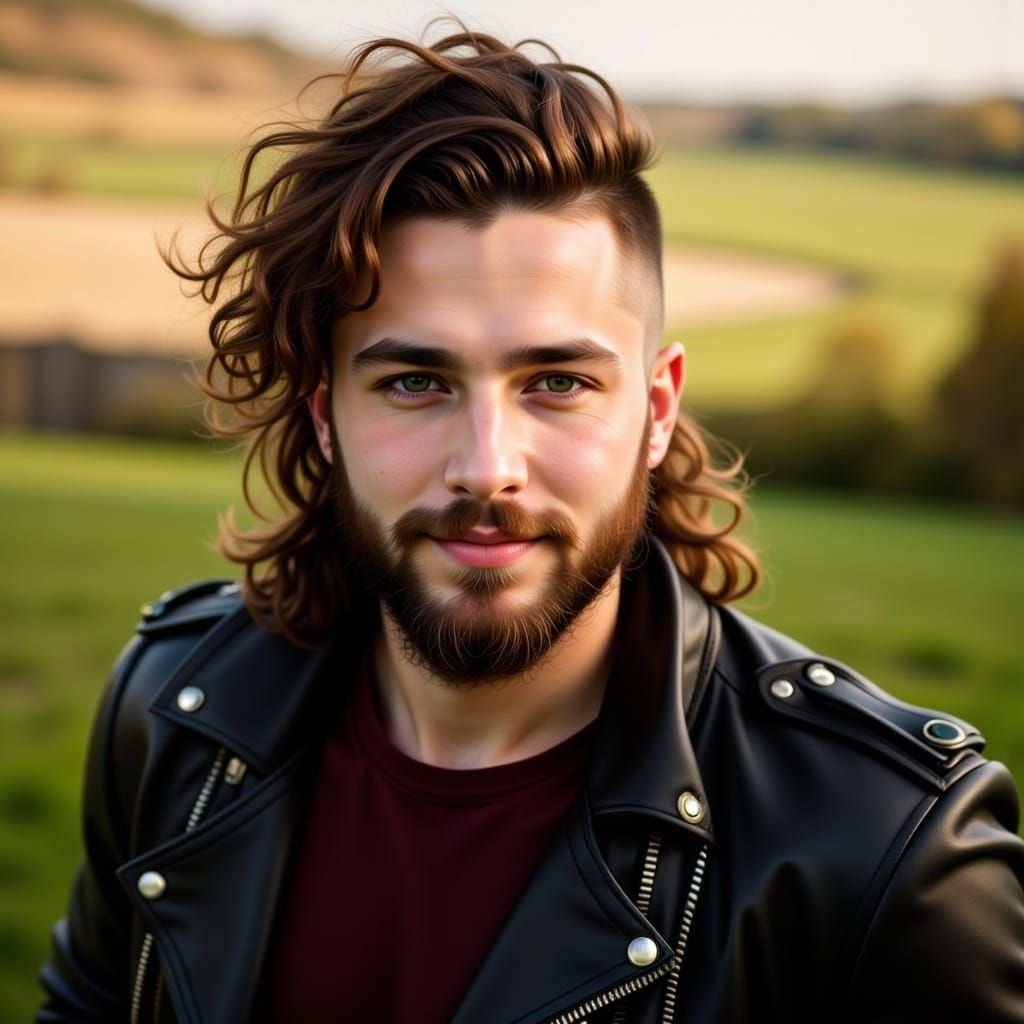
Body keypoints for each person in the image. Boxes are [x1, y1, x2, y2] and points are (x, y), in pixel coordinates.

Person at [38, 28, 1024, 1024]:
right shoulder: (171, 712)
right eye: (415, 382)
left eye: (557, 382)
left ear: (657, 410)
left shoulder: (888, 847)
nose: (486, 466)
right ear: (325, 417)